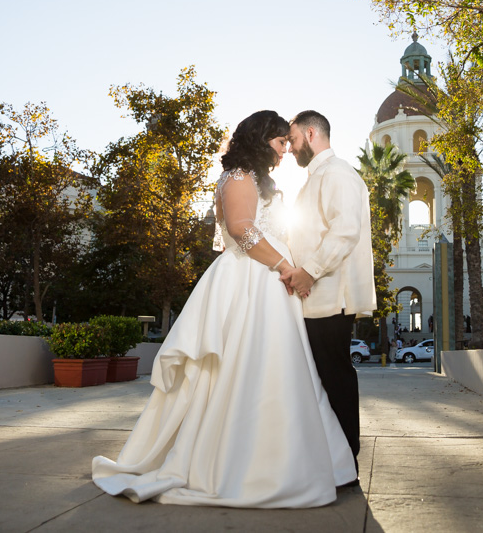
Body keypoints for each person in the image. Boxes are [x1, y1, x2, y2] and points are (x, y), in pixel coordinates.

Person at [92, 111, 356, 507]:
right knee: (241, 365)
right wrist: (285, 265)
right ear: (261, 138)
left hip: (265, 282)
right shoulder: (237, 177)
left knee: (275, 369)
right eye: (280, 142)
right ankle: (235, 464)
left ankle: (292, 459)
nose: (285, 151)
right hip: (250, 281)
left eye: (288, 142)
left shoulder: (254, 178)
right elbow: (241, 229)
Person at [280, 110, 376, 481]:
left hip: (330, 296)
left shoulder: (337, 173)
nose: (289, 149)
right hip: (313, 297)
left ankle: (345, 463)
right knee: (320, 378)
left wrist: (307, 271)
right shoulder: (315, 177)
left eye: (292, 140)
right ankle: (328, 459)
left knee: (334, 377)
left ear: (311, 132)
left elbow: (346, 230)